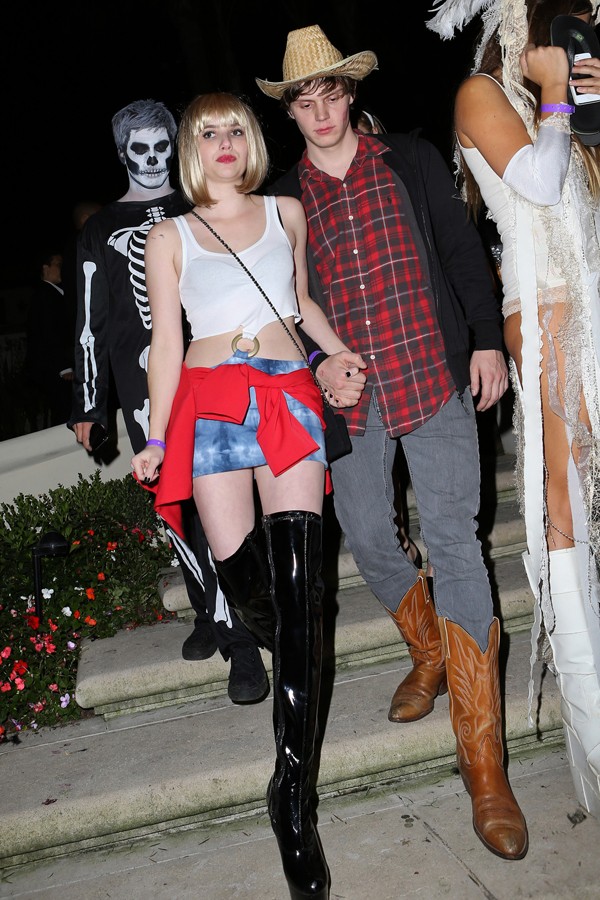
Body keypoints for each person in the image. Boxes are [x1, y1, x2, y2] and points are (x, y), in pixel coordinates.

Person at [257, 24, 528, 860]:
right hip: (351, 398)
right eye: (305, 100)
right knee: (371, 535)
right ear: (290, 112)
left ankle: (484, 764)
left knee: (455, 544)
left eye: (331, 93)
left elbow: (461, 250)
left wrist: (485, 339)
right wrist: (316, 364)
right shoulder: (284, 201)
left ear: (350, 94)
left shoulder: (407, 158)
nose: (320, 110)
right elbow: (279, 306)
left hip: (431, 373)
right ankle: (429, 649)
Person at [131, 91, 365, 900]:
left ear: (251, 140)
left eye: (236, 129)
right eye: (209, 132)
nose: (225, 142)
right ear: (192, 149)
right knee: (245, 582)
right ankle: (295, 646)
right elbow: (166, 343)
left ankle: (291, 798)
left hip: (288, 398)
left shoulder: (285, 212)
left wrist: (335, 355)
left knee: (300, 588)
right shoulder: (169, 235)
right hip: (209, 408)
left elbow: (298, 303)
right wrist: (157, 437)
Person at [427, 0, 600, 818]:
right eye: (572, 24)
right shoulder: (480, 95)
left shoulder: (563, 112)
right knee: (564, 509)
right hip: (548, 316)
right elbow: (535, 181)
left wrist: (583, 103)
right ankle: (593, 722)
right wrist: (558, 91)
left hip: (589, 308)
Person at [68, 99, 269, 703]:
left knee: (222, 500)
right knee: (177, 502)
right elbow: (90, 322)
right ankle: (211, 608)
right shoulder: (102, 228)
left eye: (163, 145)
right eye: (141, 149)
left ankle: (239, 637)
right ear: (122, 153)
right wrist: (89, 404)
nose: (153, 159)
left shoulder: (203, 205)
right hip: (144, 385)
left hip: (214, 370)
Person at [23, 249, 73, 427]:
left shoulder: (56, 293)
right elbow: (49, 332)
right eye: (58, 265)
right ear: (45, 268)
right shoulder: (45, 295)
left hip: (55, 367)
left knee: (66, 411)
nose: (62, 269)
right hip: (54, 369)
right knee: (63, 412)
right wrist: (64, 367)